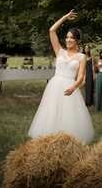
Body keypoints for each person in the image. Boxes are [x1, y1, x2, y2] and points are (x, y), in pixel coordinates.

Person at [28, 10, 94, 144]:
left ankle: (66, 141)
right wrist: (64, 17)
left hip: (70, 88)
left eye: (72, 38)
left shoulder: (82, 57)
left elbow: (81, 76)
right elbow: (52, 30)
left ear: (77, 41)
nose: (69, 40)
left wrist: (73, 87)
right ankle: (49, 140)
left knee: (68, 115)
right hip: (55, 86)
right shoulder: (59, 51)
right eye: (67, 37)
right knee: (51, 112)